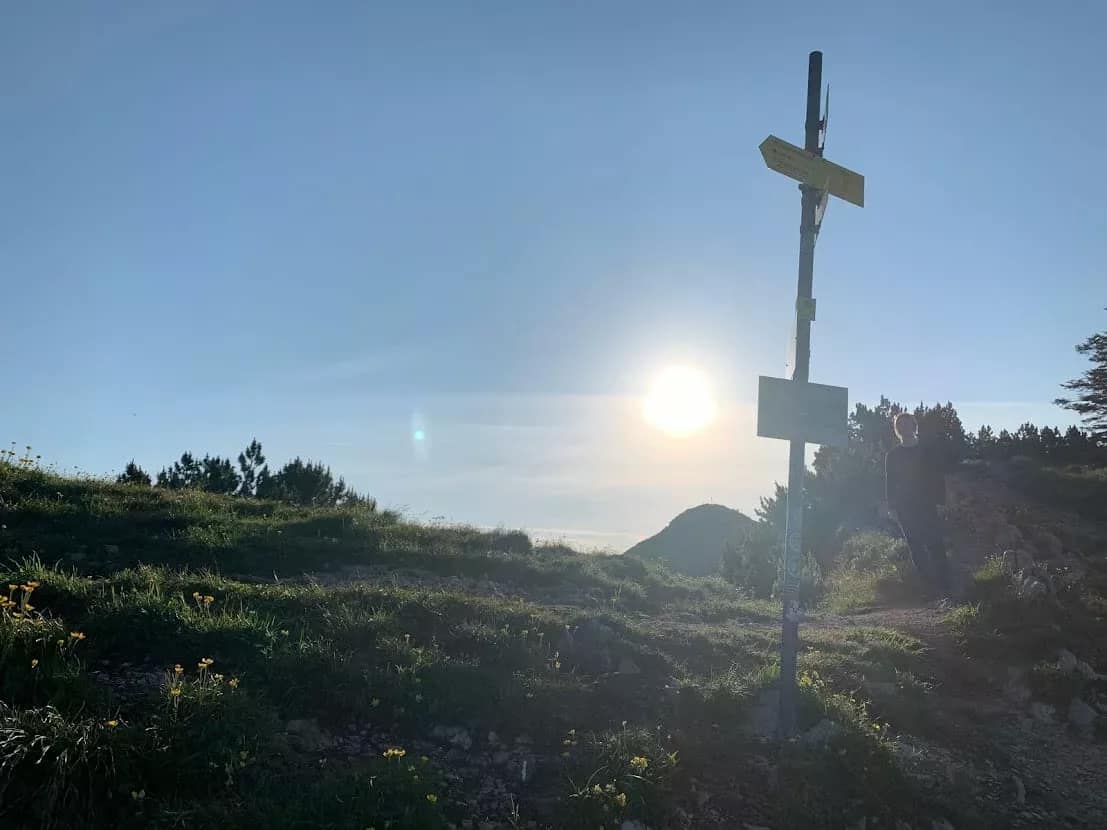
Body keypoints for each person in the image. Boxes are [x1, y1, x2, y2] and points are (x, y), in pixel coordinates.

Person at [885, 413, 951, 597]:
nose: (903, 428)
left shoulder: (928, 451)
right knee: (916, 547)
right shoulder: (893, 455)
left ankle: (945, 586)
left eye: (907, 424)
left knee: (935, 544)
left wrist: (941, 501)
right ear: (897, 430)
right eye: (900, 425)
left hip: (927, 504)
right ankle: (928, 588)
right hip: (905, 507)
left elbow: (938, 477)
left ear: (914, 426)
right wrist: (892, 506)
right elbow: (890, 482)